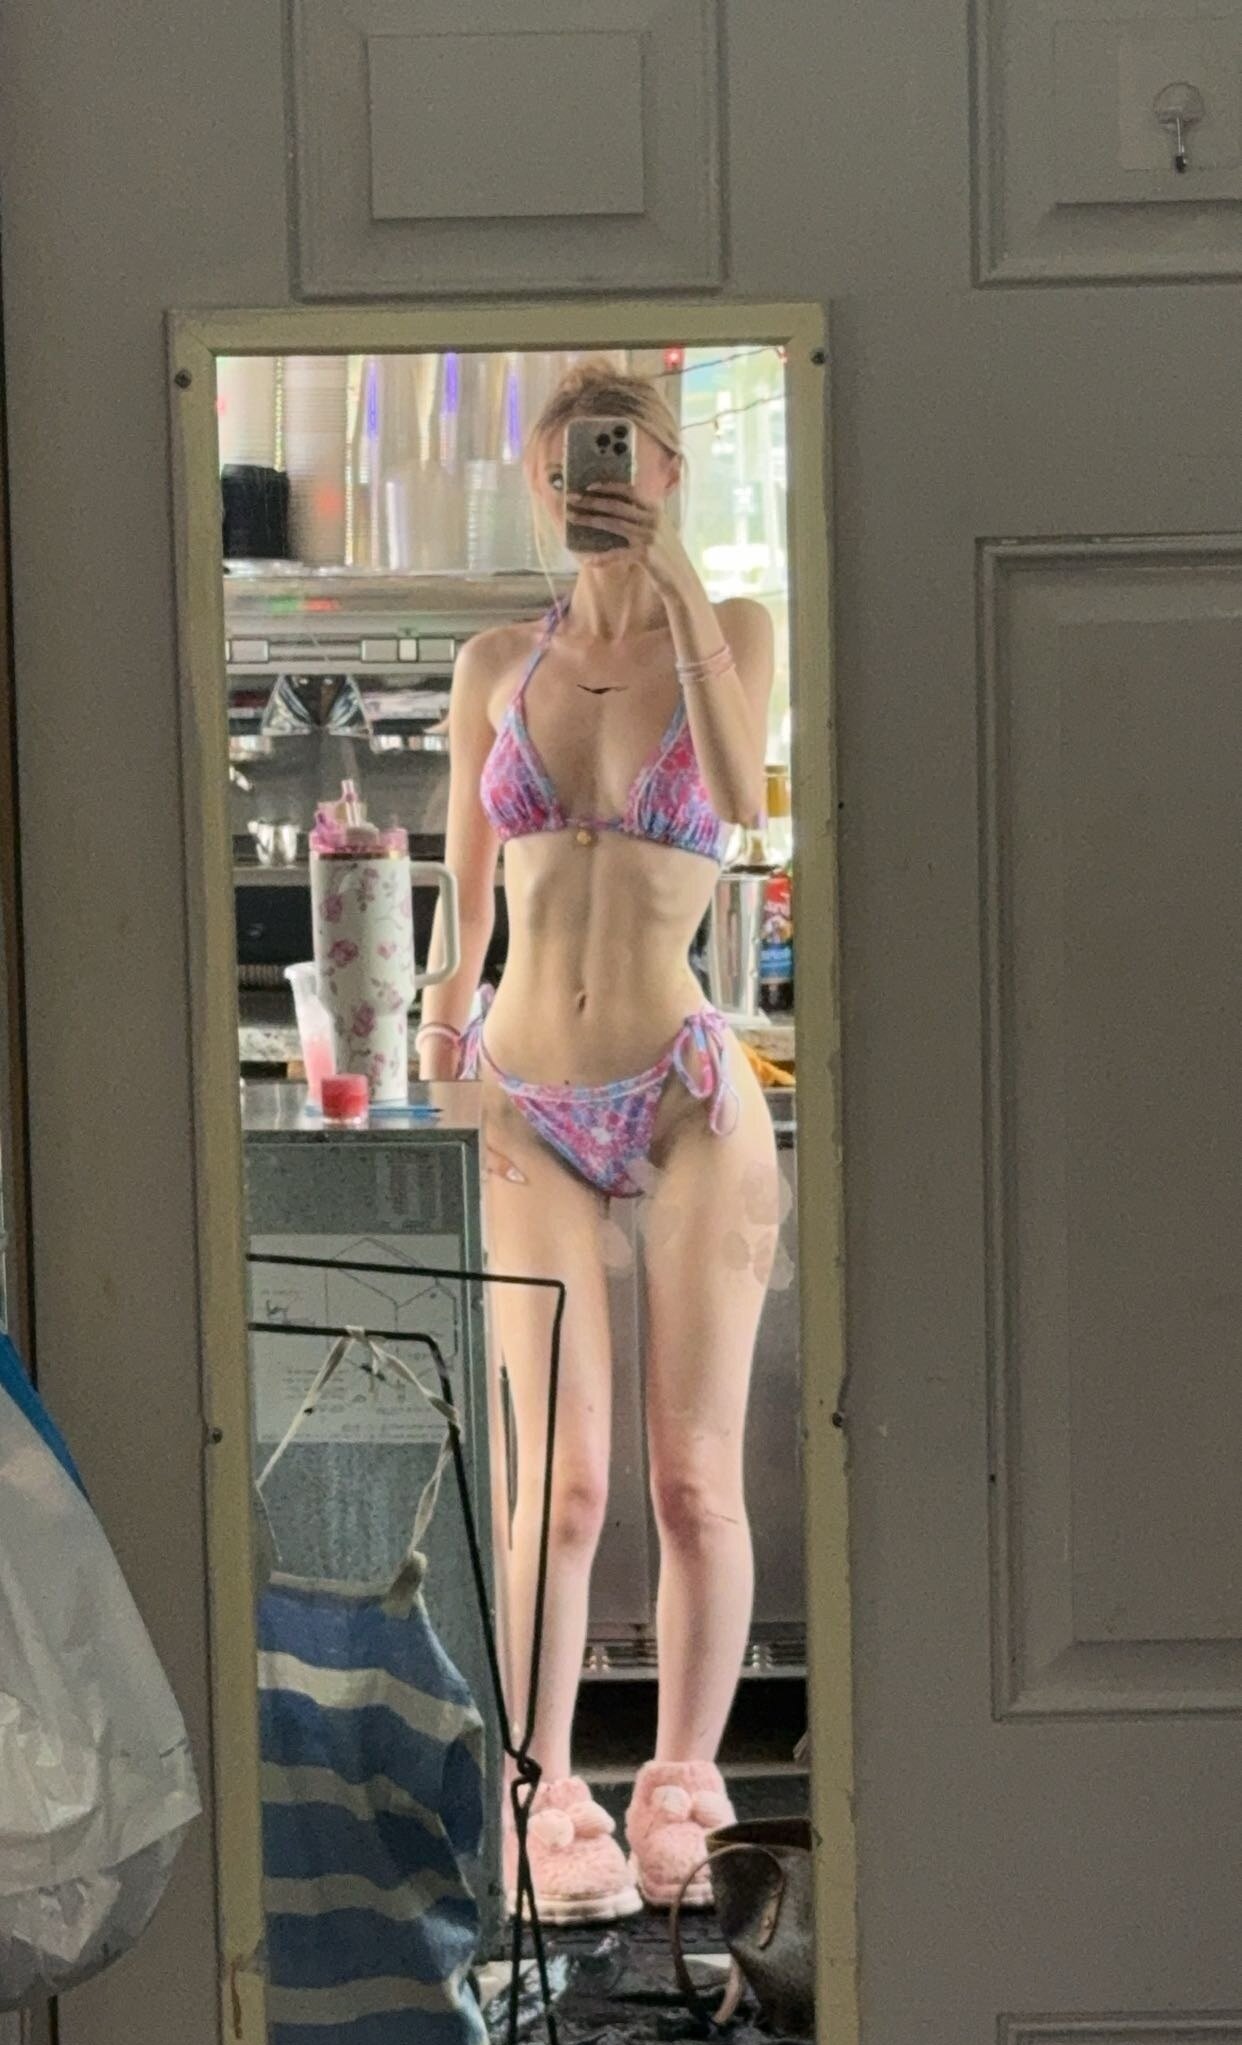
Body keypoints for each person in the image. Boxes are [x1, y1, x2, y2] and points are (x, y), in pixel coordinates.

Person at [417, 359, 779, 1923]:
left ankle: (682, 1784)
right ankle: (542, 1794)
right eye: (567, 467)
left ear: (670, 472)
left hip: (686, 1087)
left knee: (693, 1479)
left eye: (618, 463)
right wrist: (439, 1032)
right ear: (538, 481)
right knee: (558, 1486)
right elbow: (466, 887)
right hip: (526, 1093)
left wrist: (674, 576)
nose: (591, 488)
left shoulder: (735, 626)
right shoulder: (497, 662)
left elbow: (743, 791)